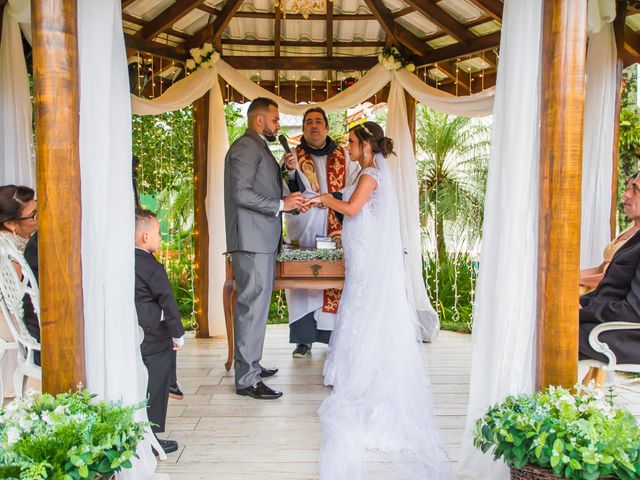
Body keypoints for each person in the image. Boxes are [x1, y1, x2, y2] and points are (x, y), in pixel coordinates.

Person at [304, 122, 450, 479]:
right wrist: (319, 189)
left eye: (352, 142)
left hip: (367, 254)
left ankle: (360, 372)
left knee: (362, 306)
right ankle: (349, 367)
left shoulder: (370, 174)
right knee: (357, 305)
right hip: (359, 251)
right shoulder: (365, 172)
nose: (348, 146)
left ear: (366, 145)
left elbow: (351, 209)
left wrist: (324, 199)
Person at [224, 97, 305, 400]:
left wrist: (285, 170)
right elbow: (241, 193)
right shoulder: (246, 147)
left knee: (257, 308)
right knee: (250, 308)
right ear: (259, 121)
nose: (278, 125)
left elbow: (263, 187)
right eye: (275, 119)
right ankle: (247, 379)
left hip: (261, 239)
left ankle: (252, 365)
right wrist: (281, 204)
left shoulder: (259, 148)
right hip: (251, 240)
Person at [281, 107, 359, 358]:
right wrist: (290, 171)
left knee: (333, 282)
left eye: (318, 122)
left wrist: (330, 201)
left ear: (326, 127)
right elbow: (284, 187)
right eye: (309, 122)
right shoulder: (292, 156)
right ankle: (303, 340)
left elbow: (355, 188)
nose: (314, 126)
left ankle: (332, 337)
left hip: (335, 224)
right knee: (302, 284)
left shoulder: (345, 156)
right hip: (304, 227)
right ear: (303, 129)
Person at [134, 208, 185, 455]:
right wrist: (178, 333)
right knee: (156, 378)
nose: (160, 237)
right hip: (151, 336)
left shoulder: (120, 260)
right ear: (145, 237)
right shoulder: (151, 267)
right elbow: (168, 301)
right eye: (157, 233)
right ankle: (150, 436)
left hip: (132, 333)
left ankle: (173, 383)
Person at [579, 172, 640, 368]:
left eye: (636, 189)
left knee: (547, 332)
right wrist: (579, 303)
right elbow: (609, 287)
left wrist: (581, 312)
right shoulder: (634, 239)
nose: (626, 195)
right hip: (605, 321)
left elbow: (632, 311)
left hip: (623, 337)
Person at [0, 185, 40, 375]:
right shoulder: (13, 253)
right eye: (33, 215)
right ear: (10, 224)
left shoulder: (9, 242)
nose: (39, 218)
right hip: (16, 325)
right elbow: (22, 306)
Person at [580, 172, 640, 293]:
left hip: (607, 295)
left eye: (634, 190)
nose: (625, 195)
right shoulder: (629, 229)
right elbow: (601, 269)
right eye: (627, 189)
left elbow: (615, 278)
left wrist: (578, 280)